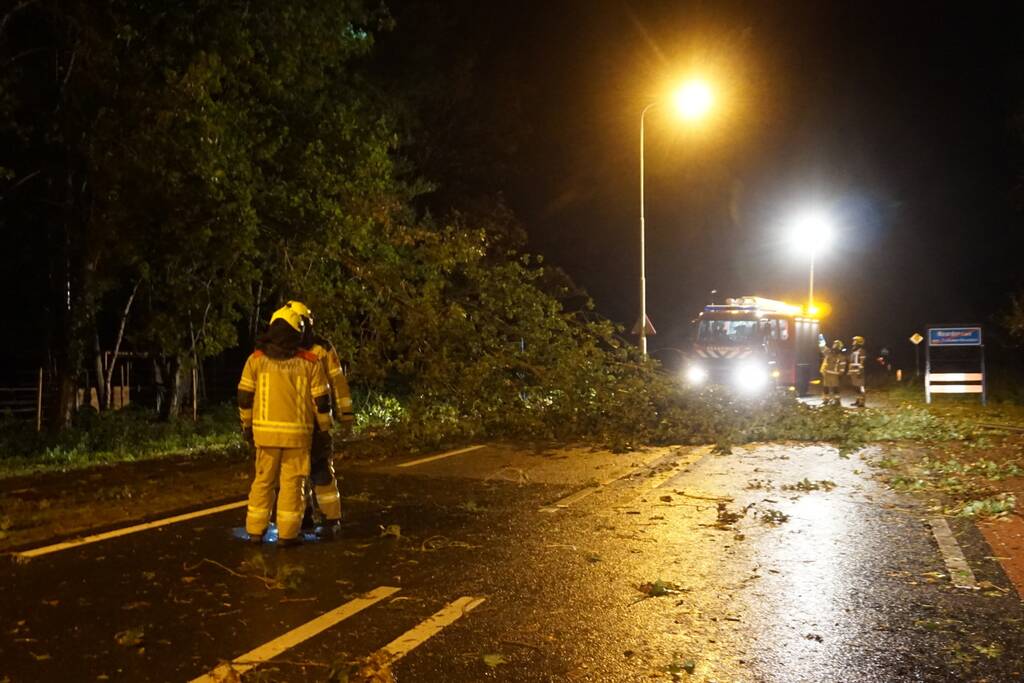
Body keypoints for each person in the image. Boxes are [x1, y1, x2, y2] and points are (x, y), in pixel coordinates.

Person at [238, 305, 332, 546]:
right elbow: (321, 403)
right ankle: (287, 536)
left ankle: (255, 532)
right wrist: (324, 430)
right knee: (293, 485)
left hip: (265, 436)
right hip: (298, 438)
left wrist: (247, 426)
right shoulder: (310, 362)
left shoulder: (255, 360)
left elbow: (245, 398)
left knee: (263, 481)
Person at [284, 300, 355, 540]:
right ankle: (306, 516)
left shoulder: (320, 349)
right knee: (299, 472)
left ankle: (329, 517)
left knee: (319, 470)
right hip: (297, 422)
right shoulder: (285, 349)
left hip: (315, 421)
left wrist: (345, 414)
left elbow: (337, 382)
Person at [820, 339, 846, 406]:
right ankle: (826, 400)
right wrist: (820, 338)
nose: (834, 346)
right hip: (827, 373)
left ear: (839, 347)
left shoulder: (841, 357)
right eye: (834, 344)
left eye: (836, 345)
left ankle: (837, 401)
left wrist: (841, 373)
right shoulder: (829, 353)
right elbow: (822, 347)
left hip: (835, 375)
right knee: (825, 387)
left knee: (835, 388)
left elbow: (842, 366)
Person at [848, 335, 867, 407]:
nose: (853, 342)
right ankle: (857, 401)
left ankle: (862, 402)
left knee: (860, 387)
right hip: (853, 372)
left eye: (854, 341)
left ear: (858, 342)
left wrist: (860, 371)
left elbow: (862, 362)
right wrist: (850, 371)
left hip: (859, 372)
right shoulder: (853, 351)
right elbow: (851, 362)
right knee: (855, 387)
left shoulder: (861, 351)